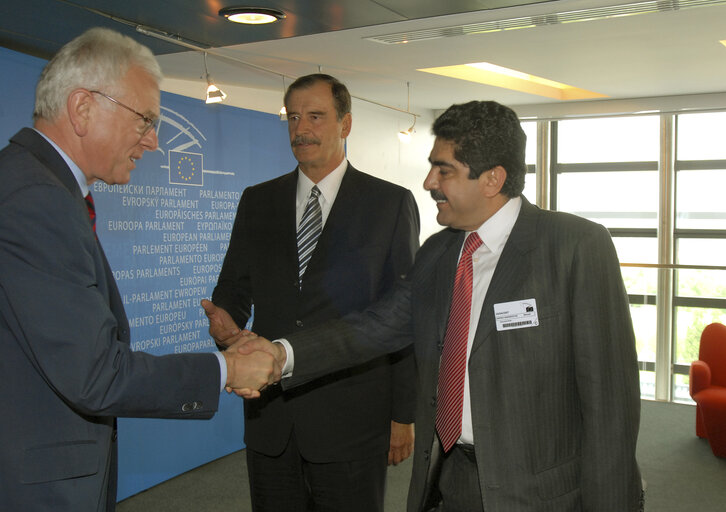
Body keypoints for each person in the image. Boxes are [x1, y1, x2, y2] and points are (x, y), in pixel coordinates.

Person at [238, 100, 643, 511]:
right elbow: (376, 326)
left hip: (540, 494)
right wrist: (281, 354)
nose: (430, 181)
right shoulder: (437, 253)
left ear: (492, 179)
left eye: (444, 170)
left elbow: (611, 406)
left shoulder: (574, 247)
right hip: (451, 482)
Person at [0, 28, 278, 512]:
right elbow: (94, 374)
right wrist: (228, 367)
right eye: (146, 120)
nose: (153, 141)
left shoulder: (36, 185)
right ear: (83, 108)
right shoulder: (34, 199)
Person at [201, 73, 419, 511]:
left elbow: (403, 316)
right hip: (272, 416)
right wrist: (226, 322)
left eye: (316, 116)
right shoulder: (257, 201)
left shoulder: (389, 204)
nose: (302, 129)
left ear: (346, 124)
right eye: (294, 117)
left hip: (353, 418)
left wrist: (403, 414)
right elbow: (234, 286)